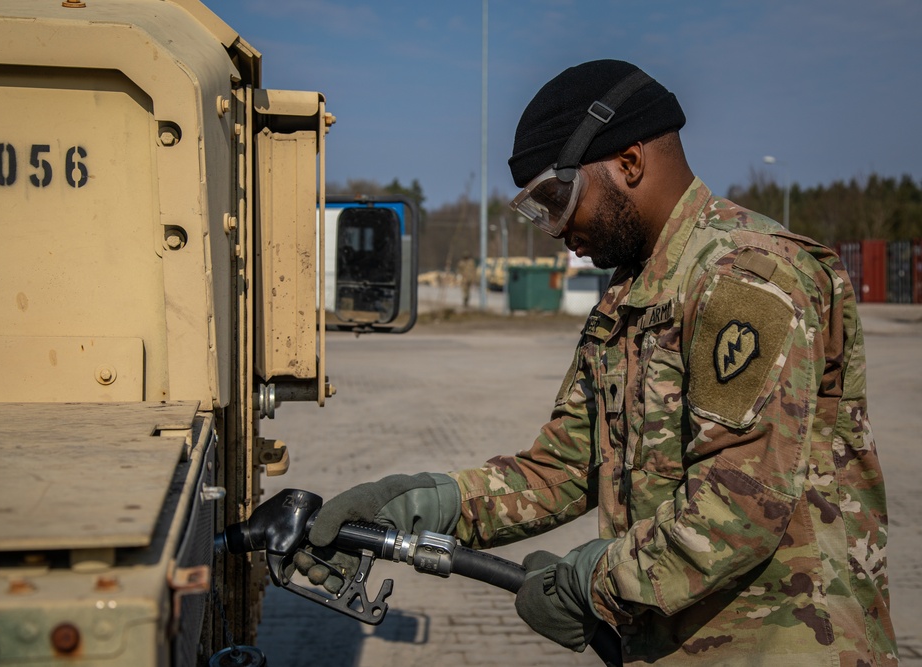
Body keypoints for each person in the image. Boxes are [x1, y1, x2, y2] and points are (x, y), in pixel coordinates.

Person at [297, 60, 898, 665]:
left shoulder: (747, 278)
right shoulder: (629, 299)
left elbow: (738, 504)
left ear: (629, 163)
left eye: (559, 201)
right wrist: (422, 505)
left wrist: (592, 583)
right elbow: (563, 467)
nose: (559, 233)